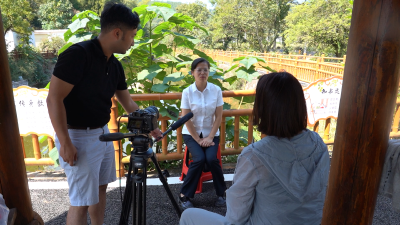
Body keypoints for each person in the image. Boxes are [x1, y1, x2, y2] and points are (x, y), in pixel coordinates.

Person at [46, 3, 162, 225]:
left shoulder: (114, 65)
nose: (133, 42)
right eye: (132, 36)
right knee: (80, 201)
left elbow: (127, 102)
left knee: (100, 188)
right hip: (77, 136)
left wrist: (149, 125)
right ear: (117, 33)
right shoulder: (78, 55)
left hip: (103, 133)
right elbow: (53, 99)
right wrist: (66, 143)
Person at [179, 72, 330, 225]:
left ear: (263, 108)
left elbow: (235, 218)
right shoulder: (319, 144)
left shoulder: (254, 155)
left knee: (188, 215)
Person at [178, 58, 227, 209]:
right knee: (199, 159)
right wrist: (198, 140)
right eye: (199, 70)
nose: (202, 73)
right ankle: (184, 195)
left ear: (208, 72)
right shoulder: (187, 92)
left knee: (211, 159)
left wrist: (211, 136)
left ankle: (221, 194)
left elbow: (218, 116)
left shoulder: (216, 90)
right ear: (192, 73)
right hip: (191, 134)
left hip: (211, 133)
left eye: (205, 69)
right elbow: (186, 119)